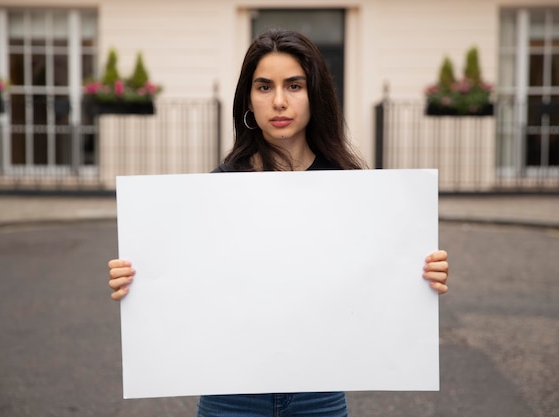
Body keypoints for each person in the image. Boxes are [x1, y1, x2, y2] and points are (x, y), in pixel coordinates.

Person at [108, 29, 449, 417]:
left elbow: (378, 279)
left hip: (318, 395)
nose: (280, 101)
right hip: (230, 395)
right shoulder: (216, 190)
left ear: (314, 95)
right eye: (264, 87)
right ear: (248, 100)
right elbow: (186, 283)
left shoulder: (352, 190)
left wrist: (423, 275)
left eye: (294, 85)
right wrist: (135, 280)